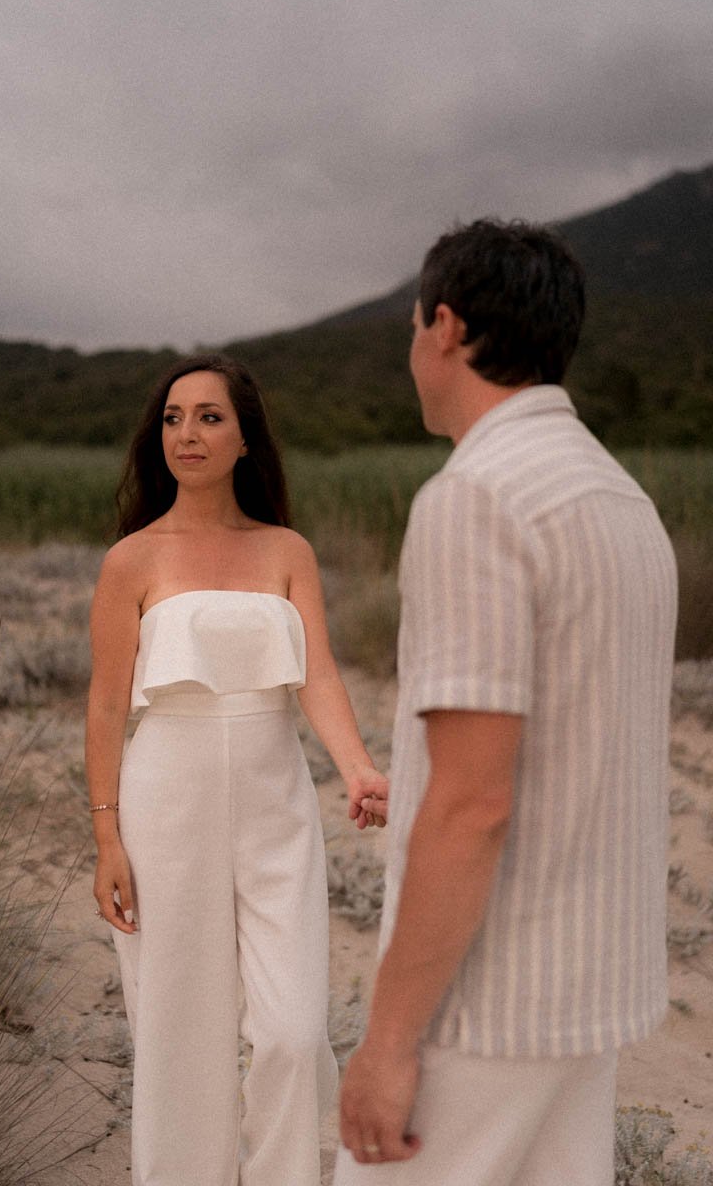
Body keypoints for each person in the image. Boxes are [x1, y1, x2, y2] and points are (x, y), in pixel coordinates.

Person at [336, 219, 677, 1186]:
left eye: (411, 327)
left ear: (444, 327)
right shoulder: (622, 501)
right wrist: (423, 792)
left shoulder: (476, 496)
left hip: (487, 1000)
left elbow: (477, 804)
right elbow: (580, 741)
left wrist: (390, 1043)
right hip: (592, 991)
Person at [85, 352, 388, 1186]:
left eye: (210, 416)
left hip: (275, 801)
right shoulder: (132, 561)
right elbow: (108, 706)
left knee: (292, 1032)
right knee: (180, 1032)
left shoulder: (288, 549)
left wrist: (358, 768)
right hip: (163, 802)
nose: (189, 432)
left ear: (246, 438)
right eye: (175, 417)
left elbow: (317, 674)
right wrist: (107, 837)